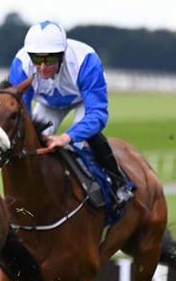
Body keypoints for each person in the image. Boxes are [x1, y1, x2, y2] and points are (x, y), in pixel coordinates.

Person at [9, 20, 134, 209]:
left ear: (62, 55)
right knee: (32, 141)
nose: (42, 67)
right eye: (36, 59)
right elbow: (19, 109)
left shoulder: (86, 61)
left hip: (83, 100)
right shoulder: (21, 64)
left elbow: (97, 114)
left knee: (78, 143)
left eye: (49, 60)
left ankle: (119, 183)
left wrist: (67, 137)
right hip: (48, 104)